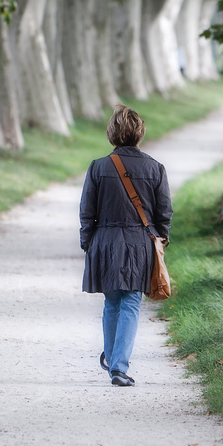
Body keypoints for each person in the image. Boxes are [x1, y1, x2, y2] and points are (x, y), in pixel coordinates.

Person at [79, 105, 172, 387]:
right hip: (139, 242)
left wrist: (88, 243)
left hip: (105, 241)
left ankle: (112, 359)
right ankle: (118, 366)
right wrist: (161, 241)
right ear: (140, 134)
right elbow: (163, 213)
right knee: (131, 301)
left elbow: (87, 211)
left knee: (112, 301)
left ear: (112, 134)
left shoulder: (98, 167)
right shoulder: (155, 168)